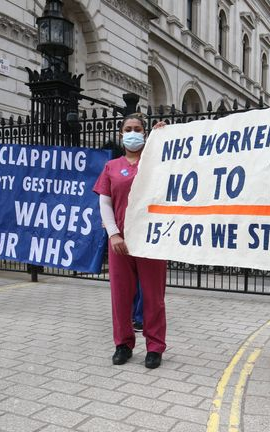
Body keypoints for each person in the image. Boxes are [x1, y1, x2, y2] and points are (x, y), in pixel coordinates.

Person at [93, 114, 167, 369]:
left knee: (153, 296)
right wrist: (113, 233)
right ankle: (123, 345)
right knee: (121, 295)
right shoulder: (111, 167)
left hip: (151, 240)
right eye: (128, 129)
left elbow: (180, 163)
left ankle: (155, 347)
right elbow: (105, 201)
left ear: (145, 134)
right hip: (121, 241)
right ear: (121, 135)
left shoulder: (156, 161)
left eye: (138, 129)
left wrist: (165, 136)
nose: (133, 132)